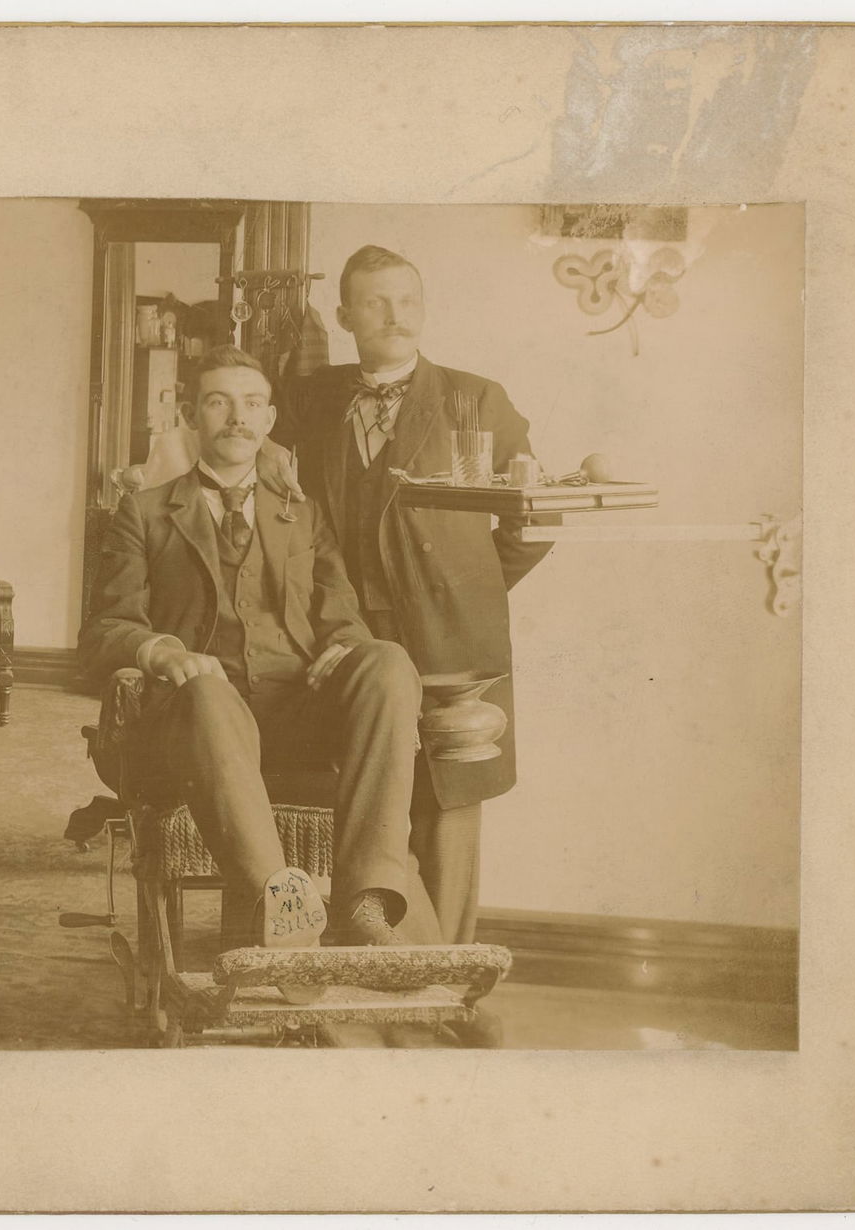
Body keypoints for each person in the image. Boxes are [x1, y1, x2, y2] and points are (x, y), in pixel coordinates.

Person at [80, 344, 443, 949]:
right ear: (192, 417)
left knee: (387, 661)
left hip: (294, 713)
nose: (237, 418)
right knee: (207, 692)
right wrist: (164, 651)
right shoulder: (142, 514)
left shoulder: (303, 514)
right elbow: (102, 633)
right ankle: (285, 907)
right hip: (194, 723)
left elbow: (342, 617)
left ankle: (367, 901)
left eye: (252, 404)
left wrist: (346, 646)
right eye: (219, 403)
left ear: (270, 421)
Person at [266, 244, 554, 945]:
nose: (395, 316)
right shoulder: (308, 399)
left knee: (447, 796)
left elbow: (536, 513)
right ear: (344, 315)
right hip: (342, 632)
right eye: (375, 302)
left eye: (407, 300)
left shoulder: (475, 397)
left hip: (452, 633)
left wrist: (465, 587)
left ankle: (448, 981)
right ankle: (369, 958)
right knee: (359, 790)